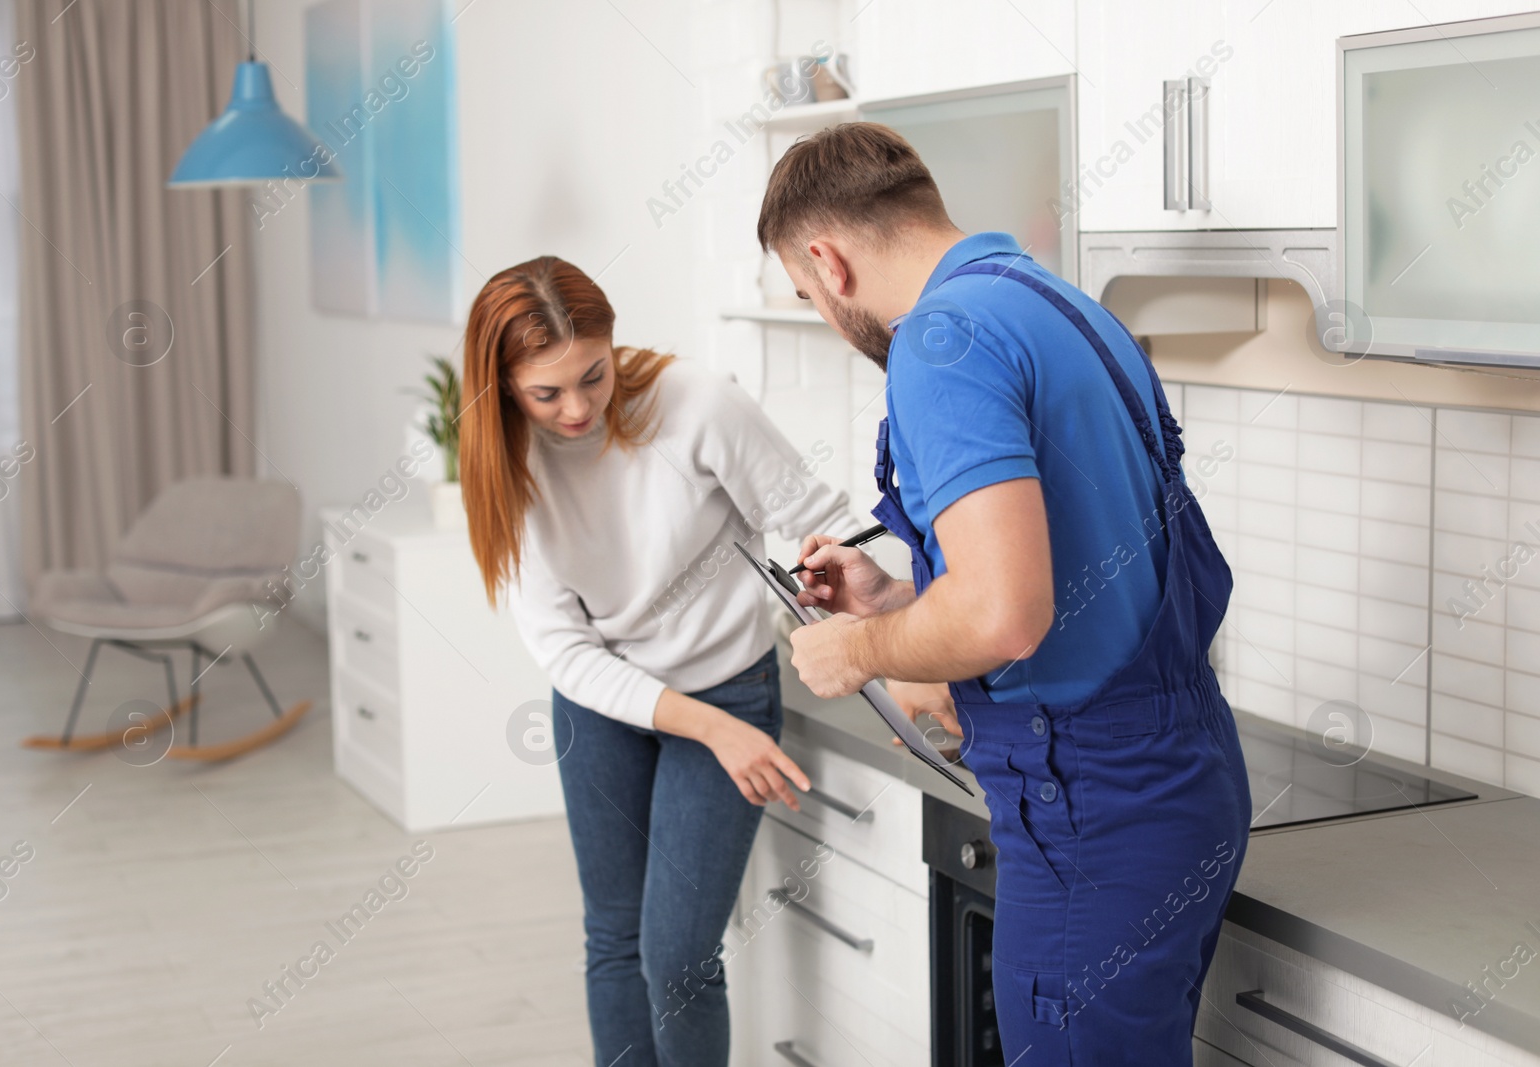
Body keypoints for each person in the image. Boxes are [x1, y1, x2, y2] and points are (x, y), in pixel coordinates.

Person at [758, 124, 1253, 1066]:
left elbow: (1001, 617)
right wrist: (890, 598)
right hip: (1182, 773)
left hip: (1092, 805)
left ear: (827, 260)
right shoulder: (1059, 304)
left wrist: (853, 650)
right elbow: (1051, 579)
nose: (821, 310)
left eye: (803, 292)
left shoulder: (938, 343)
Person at [457, 255, 861, 1067]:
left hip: (729, 686)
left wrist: (844, 581)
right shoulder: (507, 466)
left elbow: (821, 519)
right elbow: (564, 650)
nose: (577, 408)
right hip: (607, 707)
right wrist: (707, 727)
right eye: (546, 393)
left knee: (676, 958)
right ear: (502, 387)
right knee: (612, 938)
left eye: (593, 376)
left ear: (612, 345)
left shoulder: (695, 405)